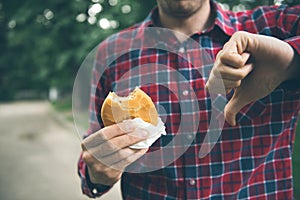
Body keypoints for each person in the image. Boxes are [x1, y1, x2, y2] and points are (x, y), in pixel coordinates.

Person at [78, 0, 300, 199]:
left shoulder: (274, 27)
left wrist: (290, 61)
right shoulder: (113, 52)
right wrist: (97, 172)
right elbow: (93, 154)